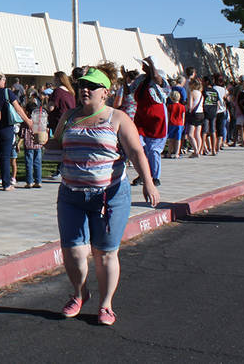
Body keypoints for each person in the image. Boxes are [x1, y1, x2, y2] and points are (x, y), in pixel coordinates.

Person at [45, 63, 159, 326]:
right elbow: (57, 143)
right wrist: (38, 136)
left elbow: (136, 152)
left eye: (91, 86)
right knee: (73, 252)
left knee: (105, 253)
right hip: (71, 195)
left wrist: (148, 183)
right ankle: (79, 293)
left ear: (105, 92)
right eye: (82, 85)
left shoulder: (117, 118)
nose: (85, 90)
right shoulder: (70, 117)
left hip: (109, 197)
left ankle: (106, 305)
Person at [131, 57, 168, 186]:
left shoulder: (159, 76)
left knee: (153, 149)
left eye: (144, 64)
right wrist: (125, 78)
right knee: (139, 146)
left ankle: (155, 176)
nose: (142, 66)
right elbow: (128, 91)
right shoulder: (141, 79)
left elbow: (158, 80)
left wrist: (152, 63)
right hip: (141, 116)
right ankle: (143, 174)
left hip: (156, 117)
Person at [0, 72, 32, 192]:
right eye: (4, 79)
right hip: (6, 127)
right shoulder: (7, 92)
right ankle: (6, 183)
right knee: (5, 157)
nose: (5, 81)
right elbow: (18, 109)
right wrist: (28, 121)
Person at [22, 98, 48, 187]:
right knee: (37, 162)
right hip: (38, 144)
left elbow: (22, 133)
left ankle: (29, 182)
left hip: (28, 144)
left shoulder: (26, 121)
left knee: (29, 163)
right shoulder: (39, 120)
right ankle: (38, 181)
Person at [164, 90, 185, 158]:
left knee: (171, 139)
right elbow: (183, 117)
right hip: (179, 124)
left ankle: (169, 153)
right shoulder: (182, 106)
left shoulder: (169, 106)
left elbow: (168, 116)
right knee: (178, 139)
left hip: (171, 123)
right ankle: (177, 153)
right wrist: (183, 124)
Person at [186, 77, 204, 157]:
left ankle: (195, 151)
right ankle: (199, 151)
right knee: (197, 134)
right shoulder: (201, 94)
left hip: (194, 114)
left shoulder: (191, 92)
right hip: (201, 113)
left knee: (190, 134)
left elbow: (190, 106)